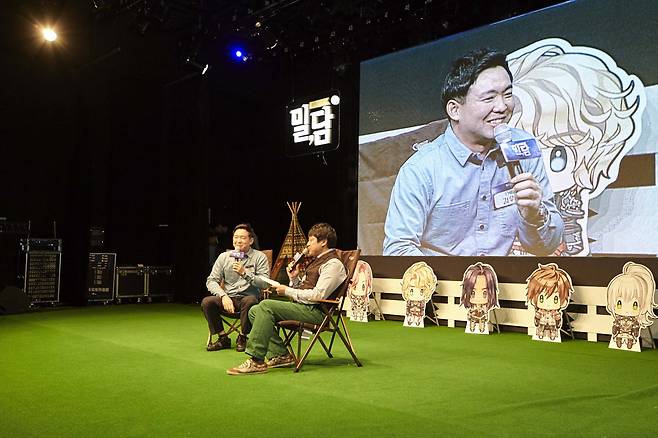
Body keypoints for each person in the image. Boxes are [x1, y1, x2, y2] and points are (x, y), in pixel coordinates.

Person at [383, 48, 564, 256]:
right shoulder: (421, 169)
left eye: (507, 94)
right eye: (489, 98)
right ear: (455, 110)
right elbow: (397, 249)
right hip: (441, 276)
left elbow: (545, 247)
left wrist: (534, 214)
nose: (502, 106)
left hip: (502, 276)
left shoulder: (523, 147)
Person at [226, 223, 347, 375]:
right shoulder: (316, 261)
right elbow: (305, 290)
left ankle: (256, 360)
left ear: (323, 242)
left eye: (311, 240)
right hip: (305, 307)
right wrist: (294, 279)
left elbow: (318, 296)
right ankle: (281, 355)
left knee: (266, 305)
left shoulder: (333, 264)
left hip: (317, 313)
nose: (307, 244)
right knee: (254, 311)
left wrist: (288, 291)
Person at [201, 223, 270, 352]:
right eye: (236, 237)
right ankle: (223, 338)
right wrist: (223, 296)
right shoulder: (224, 257)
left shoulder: (259, 257)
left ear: (251, 240)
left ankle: (243, 337)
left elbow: (265, 283)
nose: (238, 241)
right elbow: (211, 281)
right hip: (229, 299)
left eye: (242, 238)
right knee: (207, 302)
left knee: (250, 301)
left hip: (249, 298)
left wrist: (245, 273)